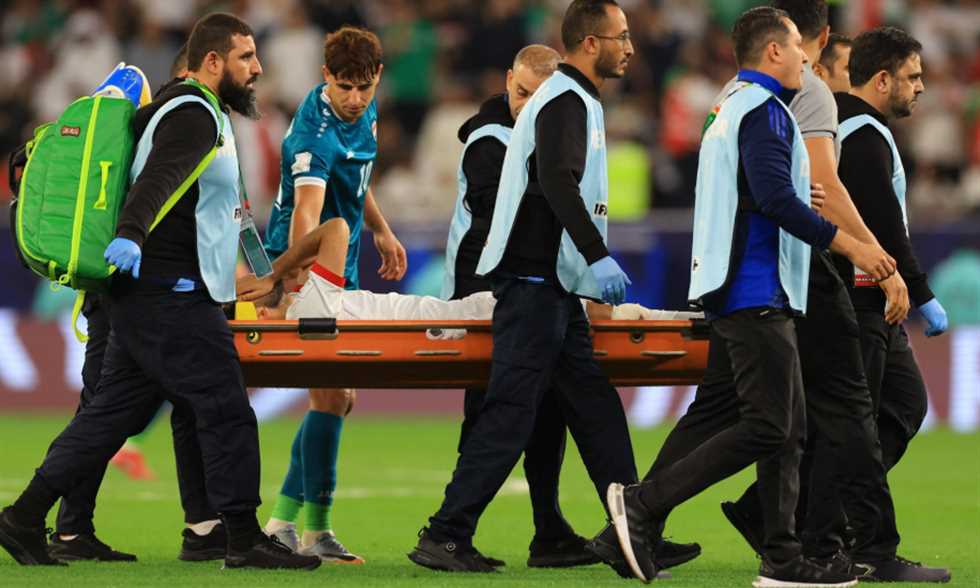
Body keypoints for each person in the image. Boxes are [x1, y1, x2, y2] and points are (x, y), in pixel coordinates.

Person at [0, 13, 320, 571]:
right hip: (171, 293)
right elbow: (157, 181)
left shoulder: (197, 112)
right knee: (225, 408)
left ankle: (22, 518)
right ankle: (242, 538)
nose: (257, 68)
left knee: (109, 418)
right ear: (212, 61)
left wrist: (265, 274)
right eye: (246, 57)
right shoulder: (193, 114)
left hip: (151, 294)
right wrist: (130, 234)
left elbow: (231, 210)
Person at [606, 8, 897, 586]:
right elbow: (775, 202)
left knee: (787, 430)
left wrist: (794, 192)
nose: (807, 58)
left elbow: (761, 191)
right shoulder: (765, 111)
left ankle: (783, 559)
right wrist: (853, 247)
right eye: (796, 48)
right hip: (753, 287)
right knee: (770, 427)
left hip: (748, 284)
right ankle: (641, 504)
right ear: (773, 52)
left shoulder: (731, 105)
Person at [408, 0, 641, 575]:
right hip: (527, 283)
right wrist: (596, 257)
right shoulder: (553, 107)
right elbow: (554, 184)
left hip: (548, 282)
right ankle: (447, 532)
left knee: (587, 406)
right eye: (621, 36)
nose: (630, 47)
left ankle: (638, 526)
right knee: (511, 414)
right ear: (591, 43)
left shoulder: (567, 103)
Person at [440, 43, 605, 569]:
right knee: (497, 414)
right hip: (487, 292)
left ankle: (546, 529)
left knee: (543, 413)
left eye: (536, 97)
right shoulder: (490, 142)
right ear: (507, 79)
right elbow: (500, 224)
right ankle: (451, 531)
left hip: (528, 288)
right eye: (520, 92)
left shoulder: (532, 133)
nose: (525, 104)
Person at [259, 26, 406, 564]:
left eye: (364, 87)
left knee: (339, 398)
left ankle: (288, 526)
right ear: (326, 77)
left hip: (340, 267)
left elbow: (356, 181)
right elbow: (307, 210)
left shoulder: (365, 111)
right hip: (305, 271)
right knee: (331, 397)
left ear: (377, 77)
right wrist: (300, 281)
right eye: (344, 87)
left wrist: (381, 229)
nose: (355, 98)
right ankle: (305, 530)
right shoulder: (314, 137)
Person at [833, 27, 951, 582]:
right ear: (882, 80)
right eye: (912, 76)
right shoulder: (861, 134)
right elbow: (883, 226)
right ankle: (868, 546)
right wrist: (921, 292)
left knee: (898, 405)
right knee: (860, 426)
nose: (920, 87)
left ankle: (782, 510)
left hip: (869, 297)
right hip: (864, 299)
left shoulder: (853, 127)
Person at [237, 218, 695, 325]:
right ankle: (676, 321)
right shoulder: (309, 307)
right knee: (564, 309)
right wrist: (275, 272)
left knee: (566, 310)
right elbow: (335, 229)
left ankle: (668, 319)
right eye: (243, 285)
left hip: (450, 317)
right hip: (454, 322)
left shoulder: (309, 309)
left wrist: (276, 277)